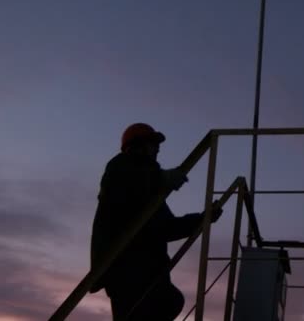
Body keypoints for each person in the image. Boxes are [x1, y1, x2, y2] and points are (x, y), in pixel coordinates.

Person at [90, 123, 222, 320]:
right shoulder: (120, 166)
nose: (158, 149)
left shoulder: (149, 193)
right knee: (164, 302)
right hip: (127, 271)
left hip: (147, 271)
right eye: (153, 143)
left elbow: (167, 228)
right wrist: (162, 177)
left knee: (171, 301)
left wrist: (204, 218)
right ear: (137, 146)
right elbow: (129, 179)